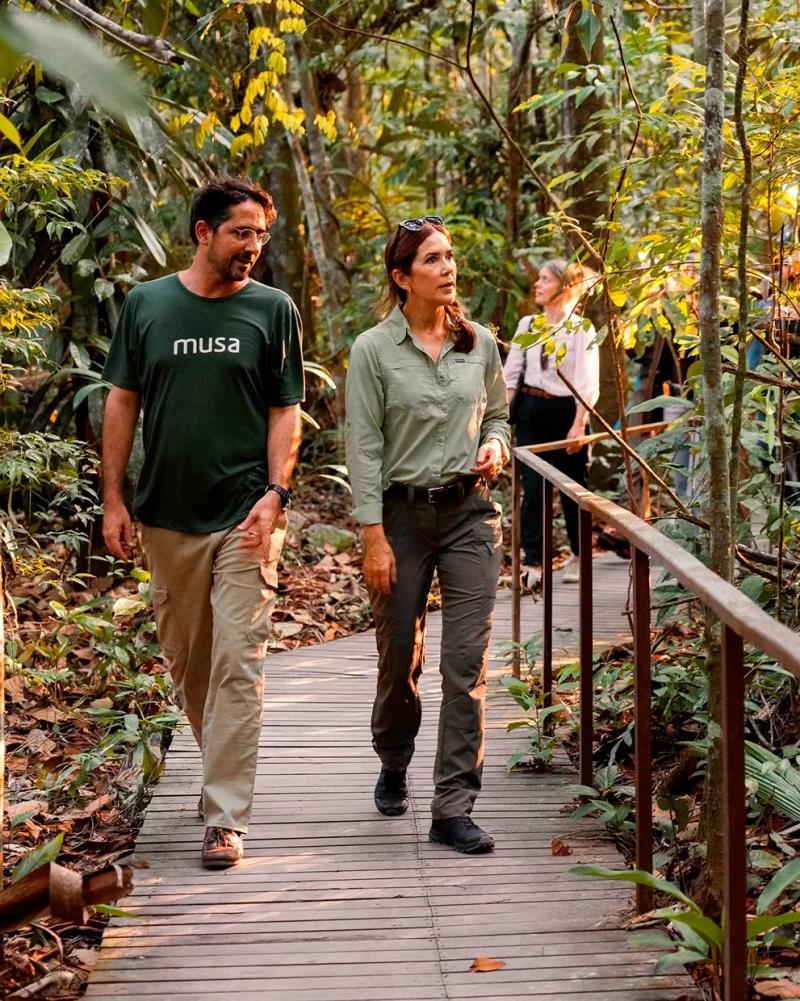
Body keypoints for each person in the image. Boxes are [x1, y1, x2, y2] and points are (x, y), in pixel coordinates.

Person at [102, 176, 304, 868]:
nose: (253, 246)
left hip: (247, 513)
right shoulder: (147, 304)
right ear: (203, 232)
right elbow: (122, 403)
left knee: (238, 663)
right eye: (241, 232)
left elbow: (285, 408)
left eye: (261, 235)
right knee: (191, 664)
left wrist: (276, 491)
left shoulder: (273, 310)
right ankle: (219, 766)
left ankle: (223, 815)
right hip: (166, 514)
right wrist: (113, 498)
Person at [344, 216, 510, 854]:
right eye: (433, 260)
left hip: (471, 515)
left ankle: (453, 806)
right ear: (400, 276)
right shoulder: (372, 350)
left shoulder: (481, 343)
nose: (448, 268)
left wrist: (494, 445)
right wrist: (373, 537)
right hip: (399, 519)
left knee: (465, 667)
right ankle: (393, 756)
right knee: (399, 661)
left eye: (450, 257)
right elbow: (363, 446)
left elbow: (496, 413)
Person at [505, 259, 599, 586]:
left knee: (574, 488)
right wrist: (502, 420)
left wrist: (578, 425)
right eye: (540, 278)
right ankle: (534, 563)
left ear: (565, 286)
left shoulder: (580, 329)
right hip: (531, 410)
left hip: (566, 413)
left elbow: (587, 382)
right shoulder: (527, 324)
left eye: (546, 279)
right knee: (533, 489)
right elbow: (511, 374)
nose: (538, 284)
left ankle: (578, 553)